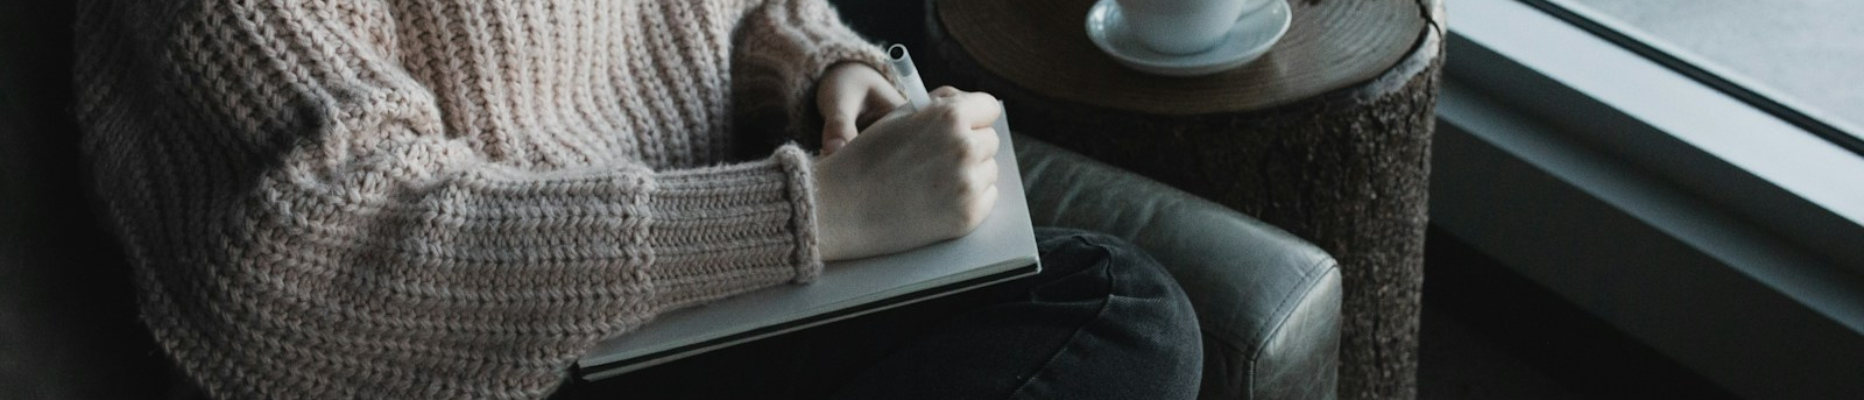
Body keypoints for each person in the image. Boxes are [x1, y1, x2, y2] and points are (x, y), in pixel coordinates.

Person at [71, 0, 1201, 398]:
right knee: (1116, 314)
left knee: (1123, 309)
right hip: (505, 367)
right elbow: (310, 248)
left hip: (699, 303)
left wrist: (819, 70)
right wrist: (814, 214)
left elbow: (729, 13)